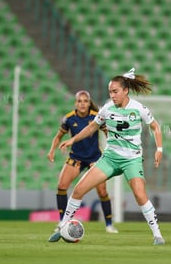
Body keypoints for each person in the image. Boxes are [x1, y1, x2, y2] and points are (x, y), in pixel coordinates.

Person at [49, 68, 165, 245]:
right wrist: (72, 140)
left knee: (140, 196)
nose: (112, 95)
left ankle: (157, 235)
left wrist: (159, 149)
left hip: (131, 159)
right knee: (79, 190)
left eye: (115, 91)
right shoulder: (106, 109)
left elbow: (155, 127)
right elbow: (90, 129)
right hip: (110, 158)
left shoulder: (138, 108)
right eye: (110, 91)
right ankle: (62, 226)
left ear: (125, 90)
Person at [47, 90, 118, 242]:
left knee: (103, 191)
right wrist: (52, 150)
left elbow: (108, 133)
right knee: (61, 186)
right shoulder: (68, 118)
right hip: (76, 158)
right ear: (76, 103)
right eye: (80, 101)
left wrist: (113, 149)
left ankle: (109, 225)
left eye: (85, 101)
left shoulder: (96, 116)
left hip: (94, 158)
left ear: (88, 102)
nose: (82, 104)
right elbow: (59, 136)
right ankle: (62, 221)